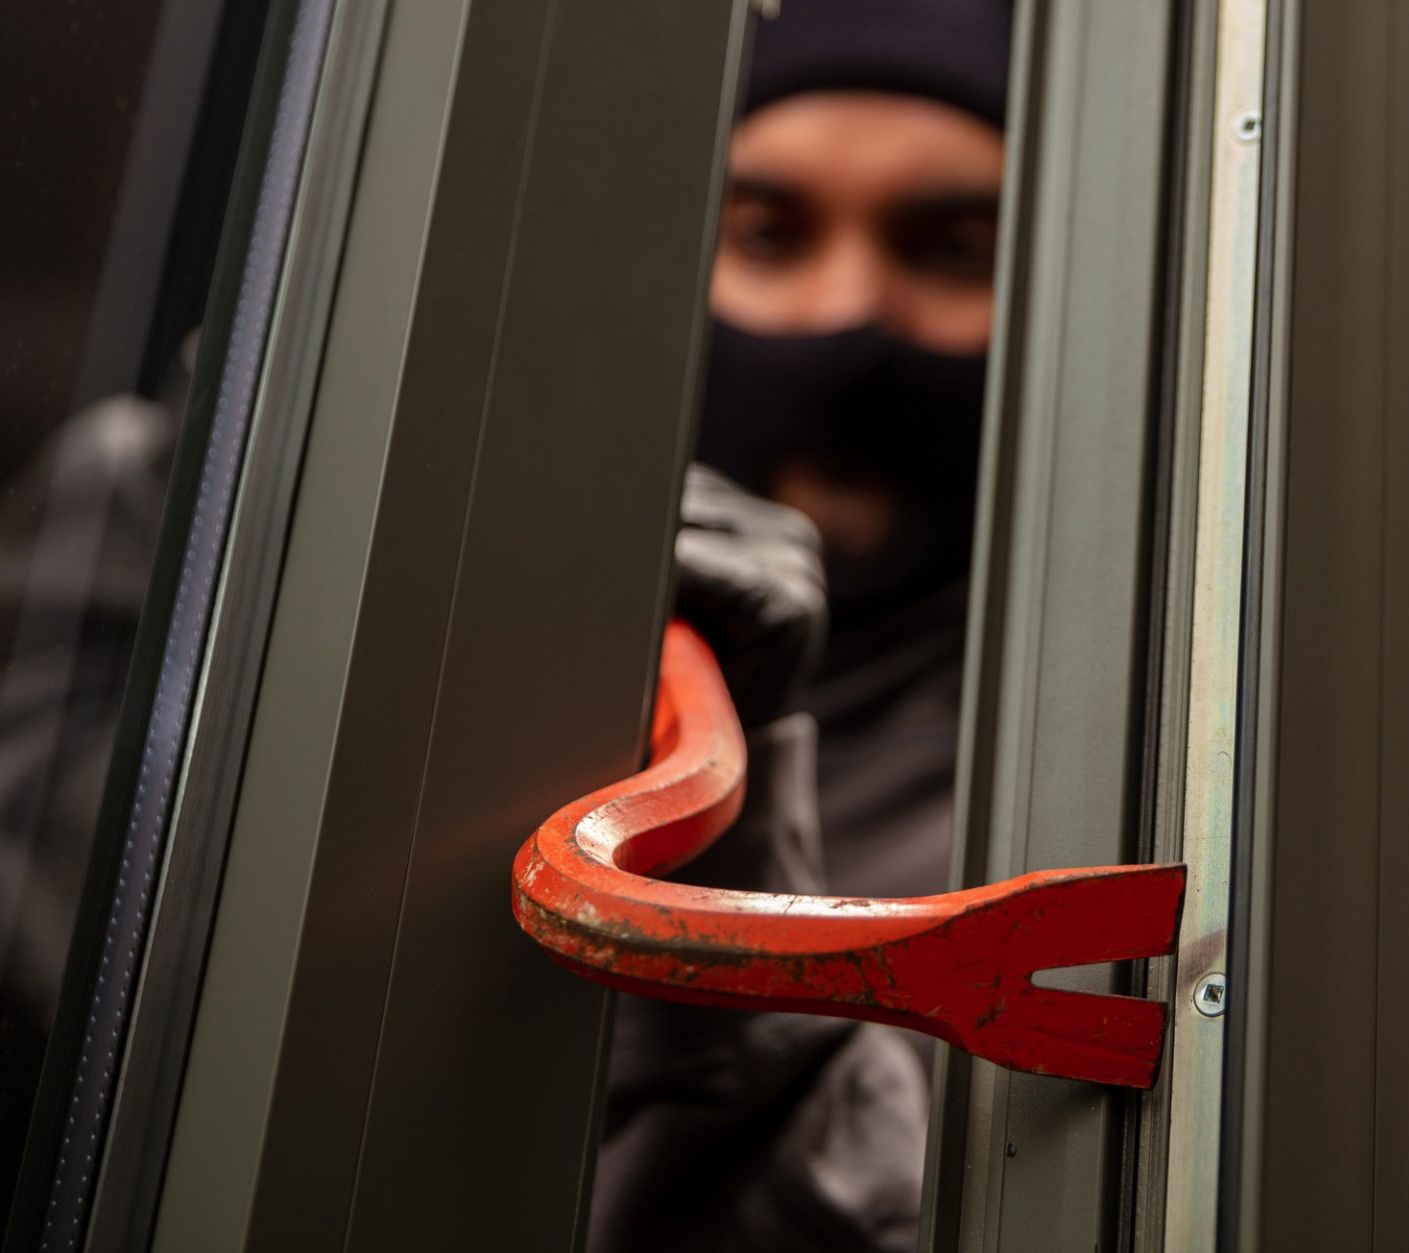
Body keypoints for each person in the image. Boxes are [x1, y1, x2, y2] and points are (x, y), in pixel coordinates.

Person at [588, 1, 1010, 1250]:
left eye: (948, 249)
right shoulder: (482, 631)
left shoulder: (1171, 781)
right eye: (769, 235)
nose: (848, 313)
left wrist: (722, 823)